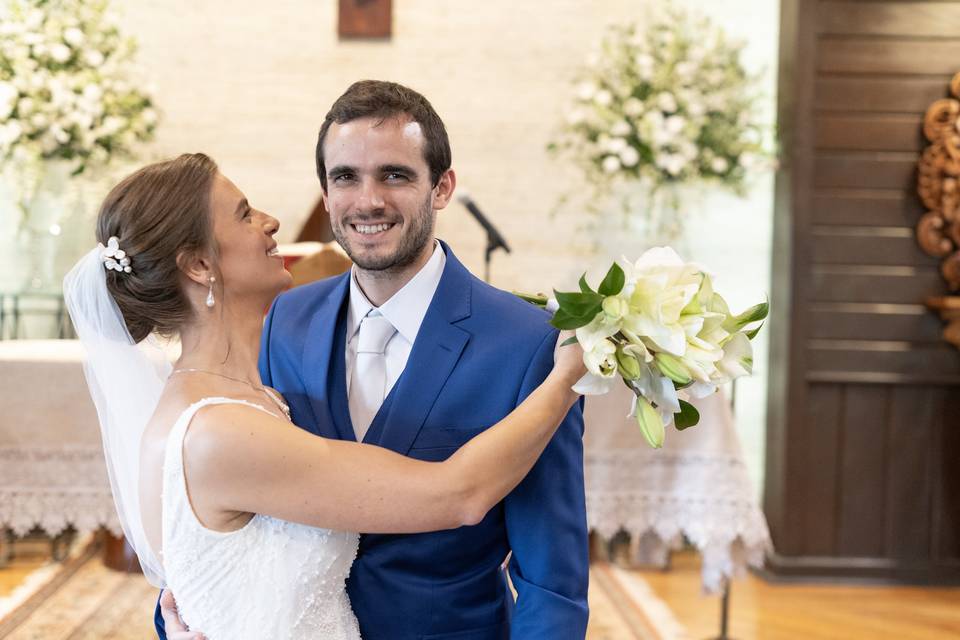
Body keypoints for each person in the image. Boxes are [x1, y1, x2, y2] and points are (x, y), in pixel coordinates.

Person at [65, 150, 586, 640]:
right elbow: (458, 494)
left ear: (439, 188)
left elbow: (218, 562)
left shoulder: (252, 393)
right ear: (199, 266)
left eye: (395, 175)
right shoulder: (217, 431)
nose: (270, 222)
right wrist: (565, 380)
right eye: (244, 214)